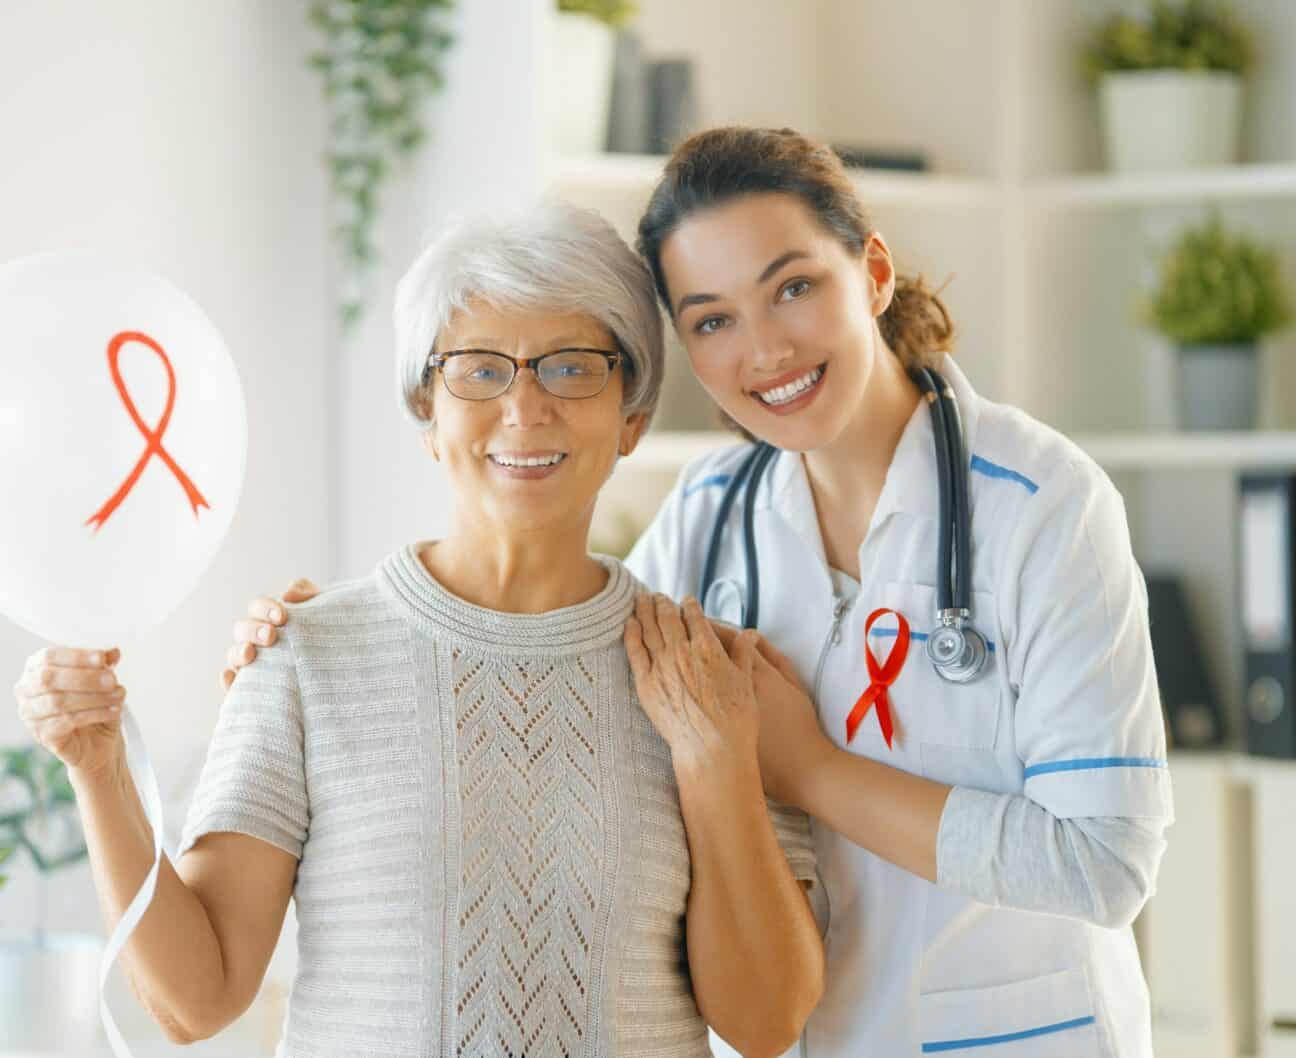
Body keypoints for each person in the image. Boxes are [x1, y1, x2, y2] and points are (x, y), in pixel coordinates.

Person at [228, 128, 1172, 1058]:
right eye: (712, 319)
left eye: (793, 288)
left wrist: (807, 769)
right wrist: (327, 639)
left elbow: (1105, 863)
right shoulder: (710, 518)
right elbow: (565, 635)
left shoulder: (1044, 506)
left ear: (874, 274)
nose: (763, 351)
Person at [15, 199, 823, 1058]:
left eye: (572, 367)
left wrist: (718, 761)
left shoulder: (710, 678)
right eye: (479, 370)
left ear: (632, 416)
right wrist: (100, 772)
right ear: (426, 414)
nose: (524, 407)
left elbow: (767, 1025)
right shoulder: (303, 655)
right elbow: (194, 1001)